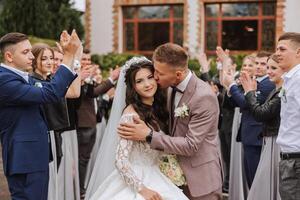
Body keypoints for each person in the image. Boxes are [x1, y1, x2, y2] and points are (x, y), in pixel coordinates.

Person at [118, 43, 223, 200]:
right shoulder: (165, 89)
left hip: (200, 181)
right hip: (169, 179)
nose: (155, 78)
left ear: (179, 75)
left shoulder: (204, 97)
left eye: (159, 74)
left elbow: (191, 145)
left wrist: (149, 135)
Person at [88, 56, 188, 200]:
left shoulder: (157, 108)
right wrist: (142, 190)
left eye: (149, 77)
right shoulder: (131, 116)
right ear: (133, 87)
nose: (147, 84)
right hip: (137, 181)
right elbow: (120, 161)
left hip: (157, 175)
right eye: (139, 81)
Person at [0, 30, 80, 200]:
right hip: (25, 159)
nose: (31, 56)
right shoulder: (4, 80)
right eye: (25, 52)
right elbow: (50, 94)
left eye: (30, 50)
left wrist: (73, 55)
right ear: (9, 56)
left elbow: (57, 89)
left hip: (33, 157)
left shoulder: (23, 78)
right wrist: (66, 56)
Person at [219, 48, 275, 188]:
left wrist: (232, 85)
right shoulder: (252, 80)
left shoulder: (268, 84)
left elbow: (246, 104)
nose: (259, 66)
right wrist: (230, 88)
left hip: (257, 136)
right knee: (250, 178)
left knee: (256, 180)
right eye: (257, 63)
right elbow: (232, 104)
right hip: (248, 134)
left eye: (263, 64)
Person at [240, 54, 282, 200]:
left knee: (262, 185)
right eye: (268, 67)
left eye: (273, 68)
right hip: (264, 139)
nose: (268, 71)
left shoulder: (278, 90)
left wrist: (249, 92)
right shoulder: (275, 89)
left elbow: (261, 113)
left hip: (275, 142)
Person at [275, 32, 300, 200]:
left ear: (298, 52)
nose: (277, 53)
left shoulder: (298, 79)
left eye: (282, 49)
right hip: (289, 159)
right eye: (277, 49)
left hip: (296, 161)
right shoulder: (290, 78)